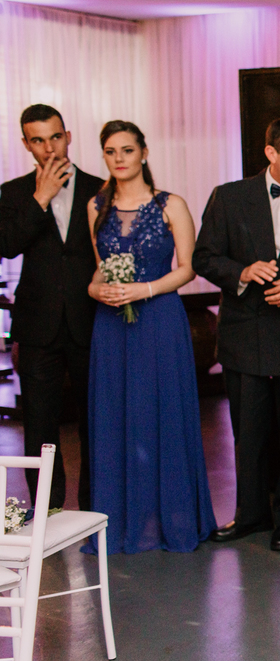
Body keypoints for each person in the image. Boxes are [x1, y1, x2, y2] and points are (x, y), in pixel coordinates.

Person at [193, 118, 280, 552]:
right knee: (247, 431)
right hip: (244, 332)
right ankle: (250, 514)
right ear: (271, 152)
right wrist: (242, 272)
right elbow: (204, 257)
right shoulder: (229, 196)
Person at [84, 120, 215, 553]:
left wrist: (145, 289)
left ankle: (172, 519)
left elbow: (189, 267)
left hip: (159, 318)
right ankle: (124, 519)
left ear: (143, 152)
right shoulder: (95, 206)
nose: (118, 158)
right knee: (117, 414)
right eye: (110, 152)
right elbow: (99, 268)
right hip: (111, 325)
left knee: (162, 413)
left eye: (126, 150)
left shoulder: (170, 204)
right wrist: (95, 290)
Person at [0, 105, 102, 509]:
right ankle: (48, 508)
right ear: (26, 144)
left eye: (55, 137)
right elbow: (7, 246)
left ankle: (96, 505)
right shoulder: (12, 192)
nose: (48, 147)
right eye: (38, 140)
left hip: (92, 319)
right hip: (37, 324)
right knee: (40, 424)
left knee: (95, 419)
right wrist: (39, 199)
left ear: (68, 136)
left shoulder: (101, 187)